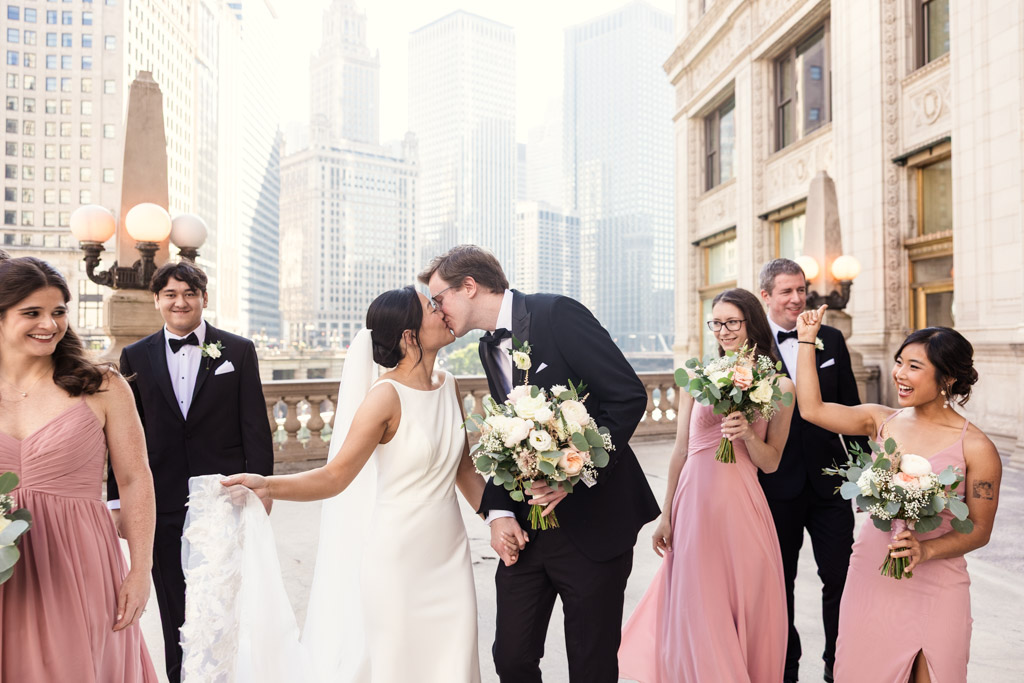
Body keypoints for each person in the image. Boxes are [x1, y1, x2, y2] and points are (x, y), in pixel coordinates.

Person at [220, 285, 486, 682]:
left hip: (450, 554)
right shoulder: (385, 397)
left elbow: (464, 469)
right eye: (431, 307)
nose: (442, 310)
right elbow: (335, 476)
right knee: (400, 665)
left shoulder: (449, 385)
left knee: (454, 661)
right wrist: (269, 485)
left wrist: (500, 520)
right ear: (408, 336)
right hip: (398, 560)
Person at [421, 245, 660, 683]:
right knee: (510, 657)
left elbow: (627, 396)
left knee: (591, 665)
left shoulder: (558, 314)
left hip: (595, 525)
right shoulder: (486, 349)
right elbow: (508, 438)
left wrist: (574, 473)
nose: (437, 310)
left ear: (469, 286)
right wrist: (500, 512)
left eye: (439, 298)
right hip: (529, 530)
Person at [796, 308, 1001, 683]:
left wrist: (926, 550)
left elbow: (980, 529)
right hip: (873, 569)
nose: (899, 374)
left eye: (914, 367)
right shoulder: (880, 420)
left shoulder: (977, 447)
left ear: (947, 378)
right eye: (899, 363)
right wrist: (807, 340)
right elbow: (812, 409)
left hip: (939, 577)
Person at [106, 260, 274, 682]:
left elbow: (255, 423)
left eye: (189, 294)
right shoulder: (135, 355)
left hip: (222, 496)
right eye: (170, 294)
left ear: (202, 298)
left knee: (219, 600)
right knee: (172, 606)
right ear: (157, 300)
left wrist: (262, 486)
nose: (179, 302)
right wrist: (117, 502)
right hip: (158, 502)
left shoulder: (237, 350)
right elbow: (122, 439)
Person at [618, 288, 793, 682]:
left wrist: (748, 434)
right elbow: (680, 450)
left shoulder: (780, 387)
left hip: (742, 508)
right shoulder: (695, 379)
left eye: (732, 322)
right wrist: (666, 515)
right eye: (717, 323)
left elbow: (772, 463)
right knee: (699, 606)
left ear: (751, 324)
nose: (723, 331)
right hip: (695, 505)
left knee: (744, 602)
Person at [0, 256, 158, 681]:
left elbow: (134, 478)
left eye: (58, 312)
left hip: (80, 563)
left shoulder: (103, 385)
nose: (49, 324)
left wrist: (139, 571)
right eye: (31, 313)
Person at [757, 258, 864, 682]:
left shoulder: (832, 340)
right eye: (786, 291)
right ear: (765, 296)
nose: (798, 298)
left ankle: (838, 663)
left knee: (841, 578)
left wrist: (864, 480)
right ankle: (786, 666)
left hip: (831, 485)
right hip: (772, 487)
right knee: (777, 585)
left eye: (801, 289)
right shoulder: (749, 350)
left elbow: (853, 411)